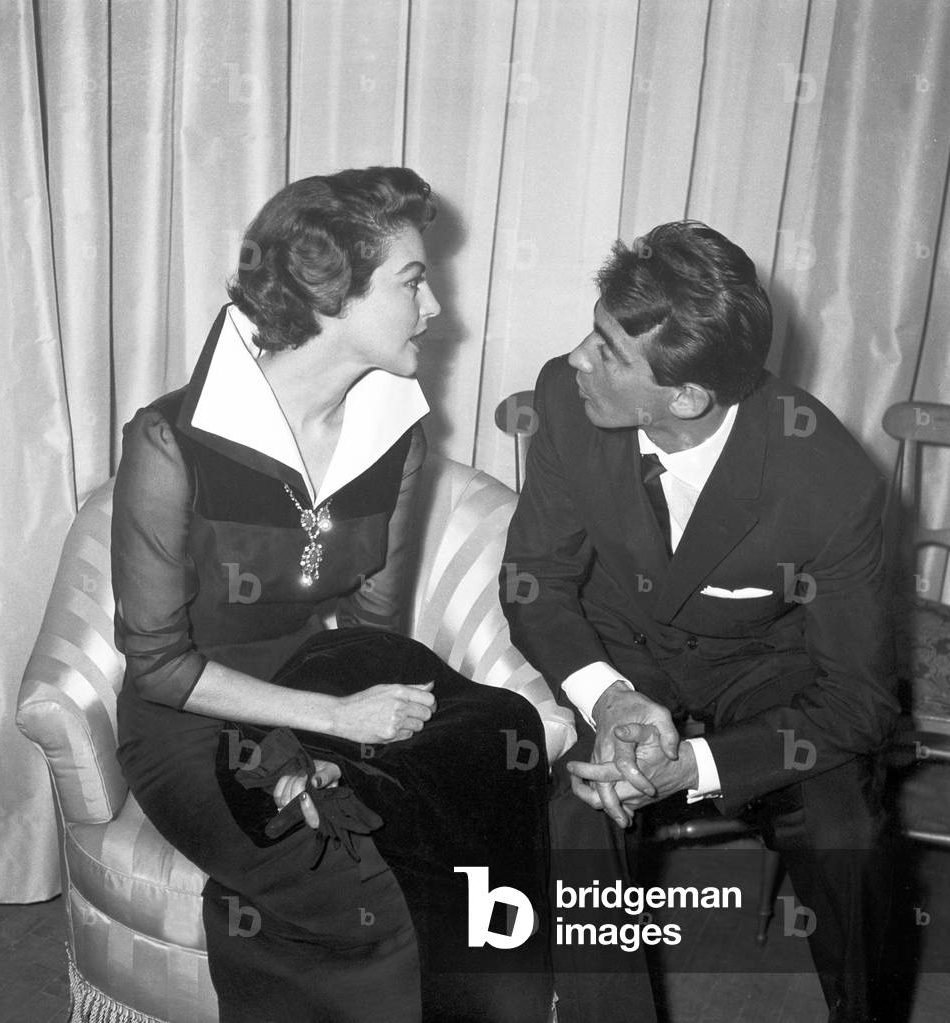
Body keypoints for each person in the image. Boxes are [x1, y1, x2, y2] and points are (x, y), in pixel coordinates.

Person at [112, 167, 552, 1023]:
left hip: (324, 681)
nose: (435, 310)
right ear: (327, 290)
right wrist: (337, 726)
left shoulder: (398, 433)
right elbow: (160, 667)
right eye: (413, 280)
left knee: (486, 808)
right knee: (375, 899)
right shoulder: (171, 443)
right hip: (190, 730)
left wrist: (363, 731)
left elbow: (372, 628)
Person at [500, 221, 899, 1023]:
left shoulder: (830, 483)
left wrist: (698, 765)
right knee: (576, 810)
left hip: (766, 674)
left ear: (685, 397)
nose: (579, 358)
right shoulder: (564, 399)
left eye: (609, 352)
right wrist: (610, 700)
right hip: (618, 653)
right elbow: (536, 578)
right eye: (594, 331)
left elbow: (860, 700)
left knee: (844, 828)